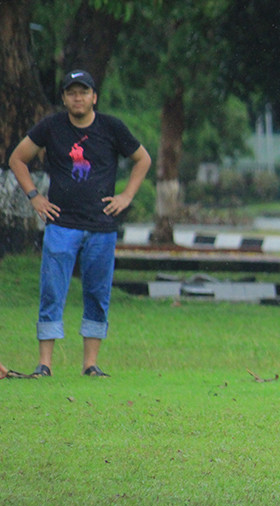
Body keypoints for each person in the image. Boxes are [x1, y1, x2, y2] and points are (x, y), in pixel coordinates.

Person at [8, 70, 151, 378]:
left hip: (102, 225)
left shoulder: (111, 127)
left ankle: (90, 364)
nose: (77, 98)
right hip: (61, 224)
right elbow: (17, 158)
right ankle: (45, 363)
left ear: (94, 97)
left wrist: (126, 196)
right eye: (71, 93)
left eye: (83, 92)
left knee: (98, 292)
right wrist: (34, 197)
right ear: (64, 98)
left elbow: (143, 159)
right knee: (52, 290)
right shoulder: (51, 127)